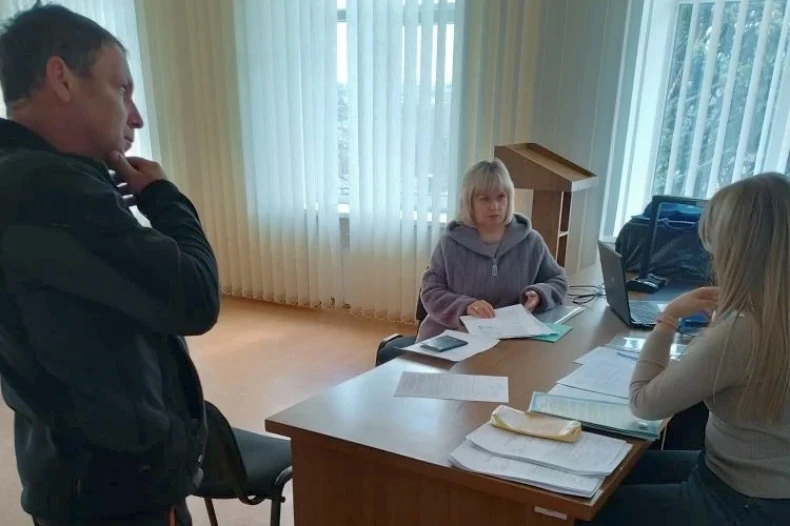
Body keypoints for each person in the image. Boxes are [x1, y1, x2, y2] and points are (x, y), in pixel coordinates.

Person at [0, 4, 219, 525]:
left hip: (69, 472)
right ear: (61, 79)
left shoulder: (20, 178)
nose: (135, 116)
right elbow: (194, 296)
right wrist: (165, 198)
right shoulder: (52, 191)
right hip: (119, 492)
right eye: (122, 89)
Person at [583, 173, 790, 525]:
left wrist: (668, 318)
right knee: (614, 466)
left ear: (737, 252)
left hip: (740, 501)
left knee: (589, 509)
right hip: (759, 486)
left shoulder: (742, 332)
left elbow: (644, 403)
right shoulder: (770, 316)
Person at [375, 159, 568, 365]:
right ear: (470, 201)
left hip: (508, 344)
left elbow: (558, 280)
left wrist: (539, 293)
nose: (495, 206)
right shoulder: (450, 242)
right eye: (485, 199)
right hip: (451, 340)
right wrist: (465, 306)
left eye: (501, 197)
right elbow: (430, 292)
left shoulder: (530, 241)